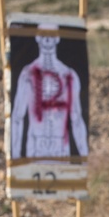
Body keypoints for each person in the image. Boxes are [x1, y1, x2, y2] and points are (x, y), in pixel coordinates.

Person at [11, 23, 89, 161]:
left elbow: (76, 118)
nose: (47, 39)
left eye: (51, 35)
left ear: (57, 38)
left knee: (63, 183)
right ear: (37, 38)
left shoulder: (68, 75)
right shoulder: (28, 74)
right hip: (36, 144)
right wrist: (15, 155)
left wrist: (83, 157)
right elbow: (17, 116)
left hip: (60, 145)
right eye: (43, 35)